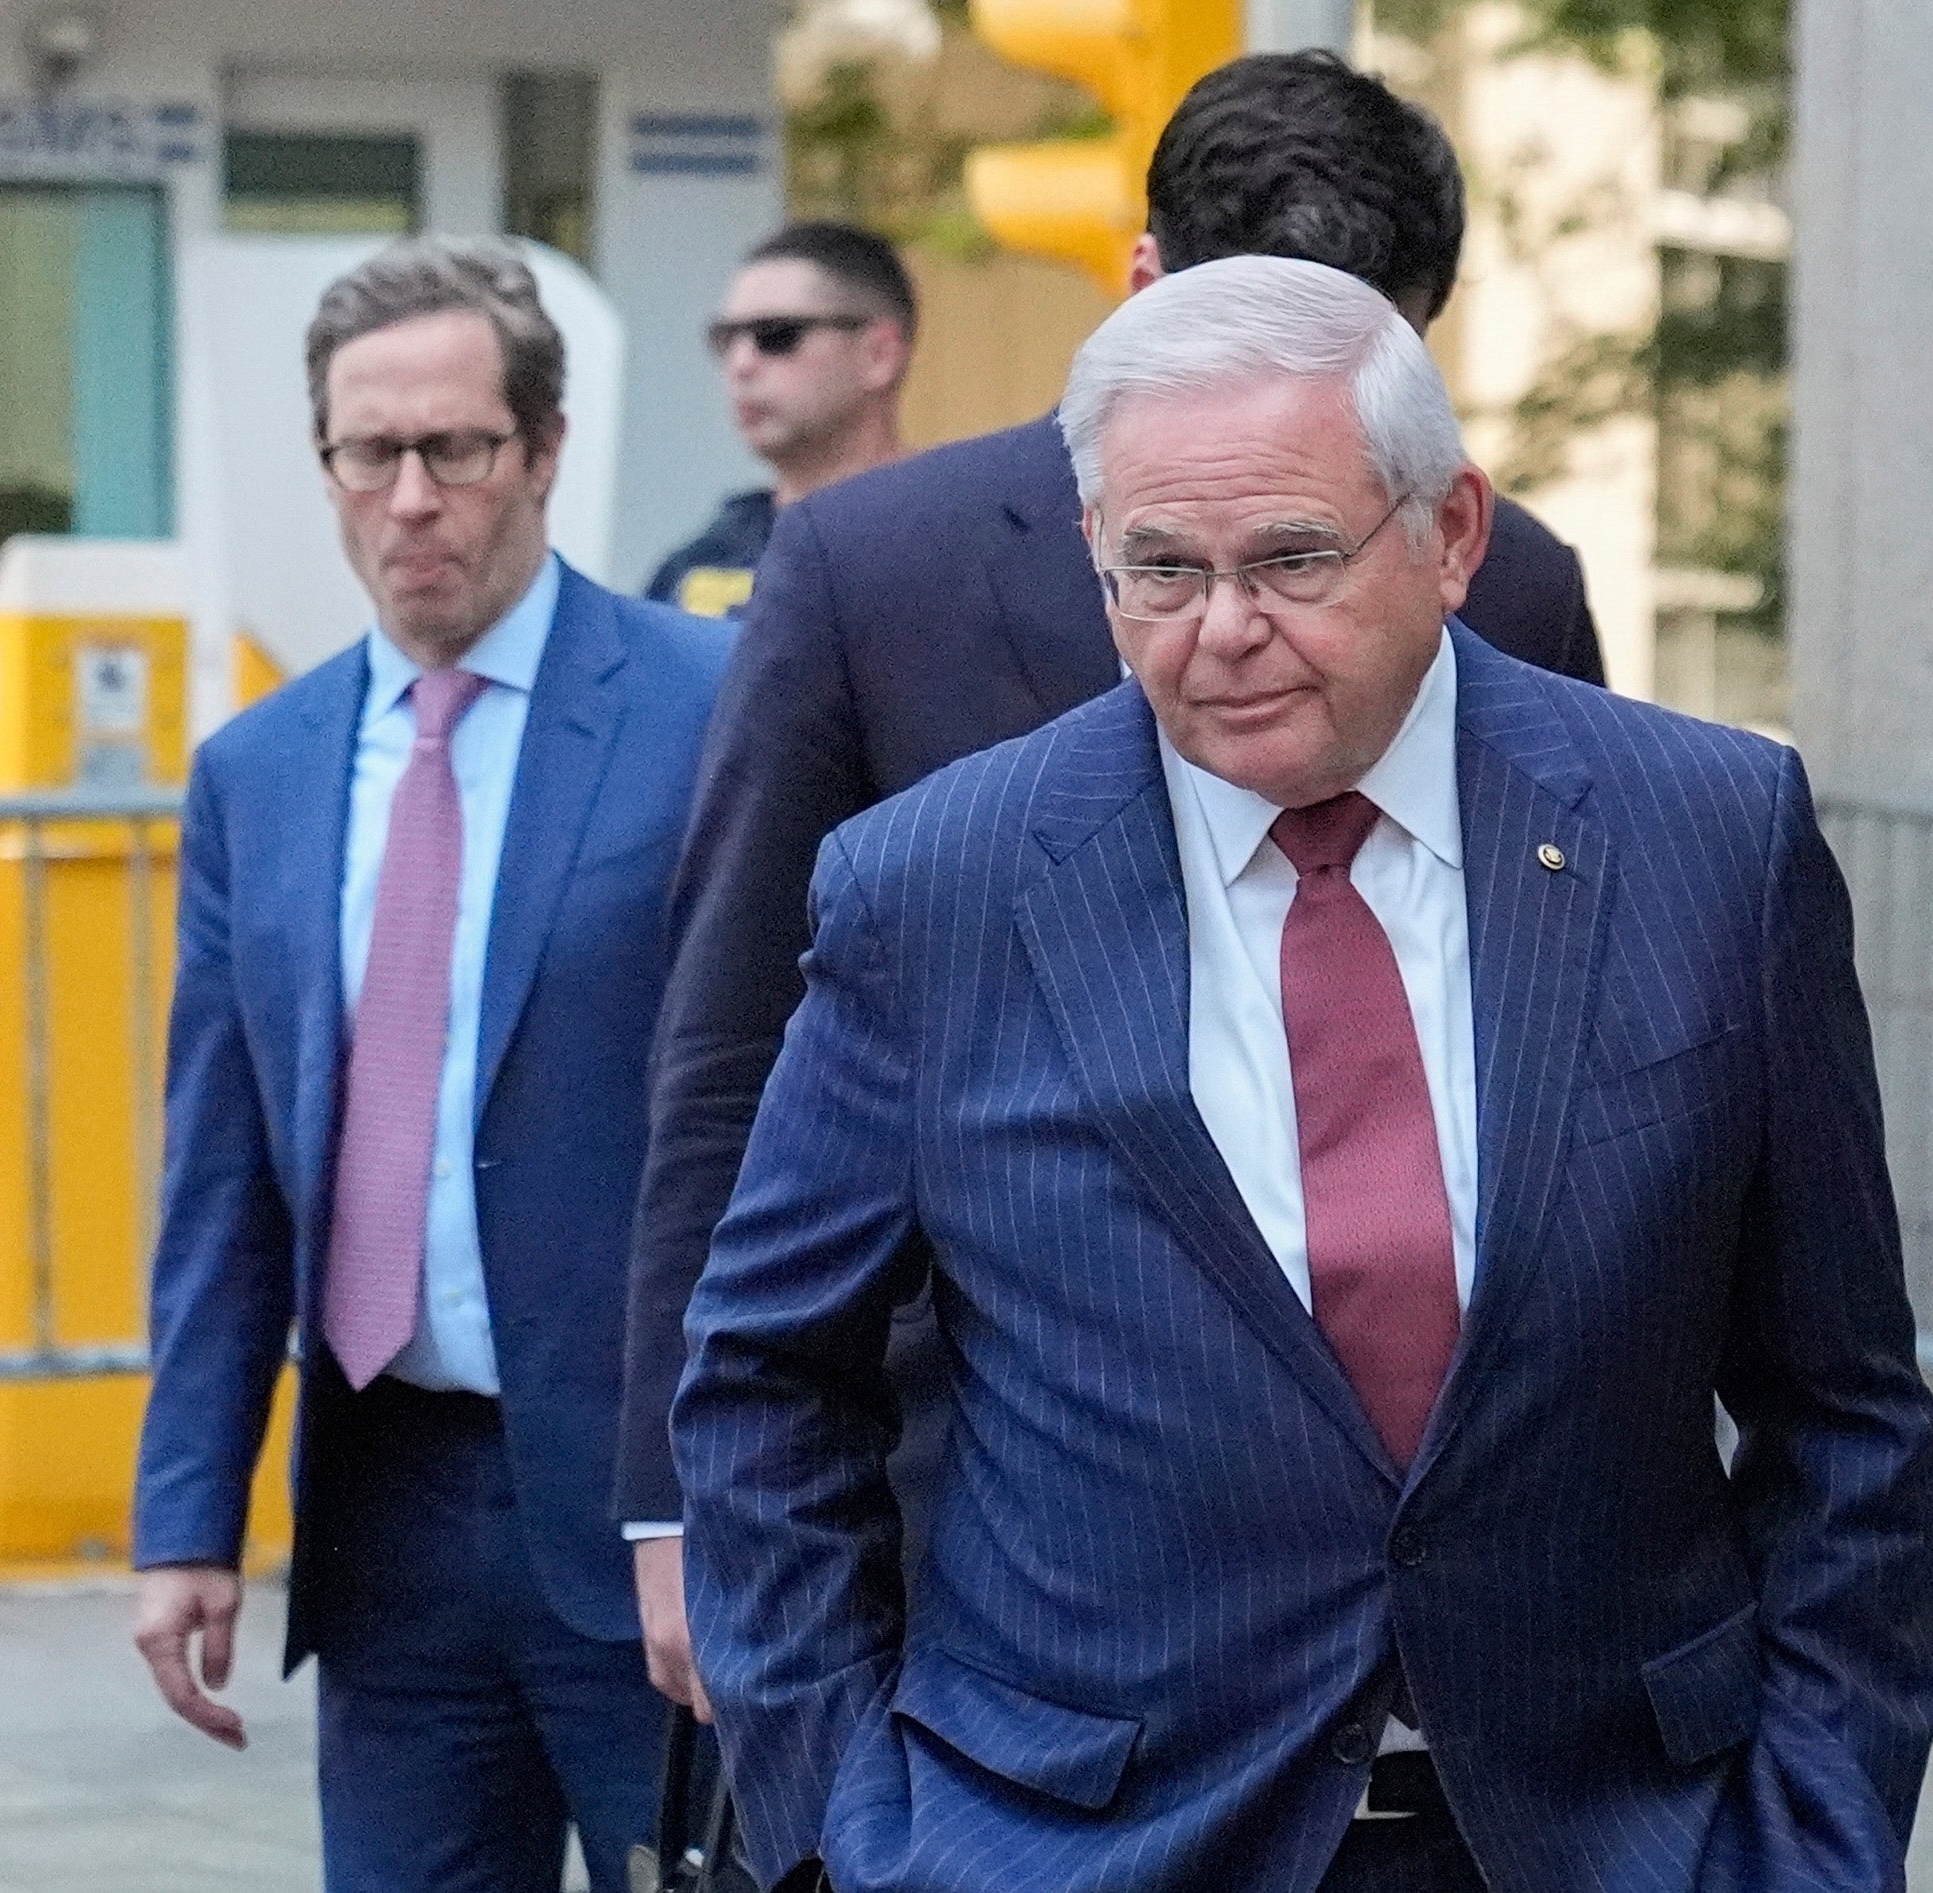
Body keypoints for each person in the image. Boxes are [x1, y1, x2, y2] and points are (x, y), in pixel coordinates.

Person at [674, 256, 1933, 1892]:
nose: (1221, 633)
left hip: (1611, 1831)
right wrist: (851, 1834)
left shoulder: (1704, 837)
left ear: (1451, 535)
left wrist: (1816, 1840)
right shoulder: (935, 886)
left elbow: (1841, 1407)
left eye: (1288, 558)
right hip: (1081, 1840)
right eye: (1157, 570)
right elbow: (767, 1381)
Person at [621, 47, 1616, 1707]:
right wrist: (678, 1504)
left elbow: (1569, 1044)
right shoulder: (873, 567)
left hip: (1436, 1564)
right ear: (1139, 282)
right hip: (972, 1520)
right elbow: (728, 1044)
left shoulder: (1509, 585)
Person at [126, 238, 733, 1892]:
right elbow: (223, 1173)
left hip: (655, 1518)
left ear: (538, 450)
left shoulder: (708, 709)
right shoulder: (258, 767)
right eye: (365, 451)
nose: (408, 497)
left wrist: (719, 1501)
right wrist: (185, 1511)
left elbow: (780, 1136)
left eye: (453, 448)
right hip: (387, 1512)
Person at [644, 222, 915, 618]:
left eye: (776, 335)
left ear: (879, 356)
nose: (741, 364)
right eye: (726, 339)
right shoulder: (699, 566)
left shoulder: (963, 546)